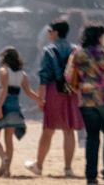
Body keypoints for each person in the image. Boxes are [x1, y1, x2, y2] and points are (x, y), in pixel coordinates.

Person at [37, 18, 83, 177]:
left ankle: (39, 165)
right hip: (71, 92)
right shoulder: (75, 49)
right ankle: (68, 168)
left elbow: (44, 75)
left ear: (56, 32)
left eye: (50, 31)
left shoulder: (49, 50)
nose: (49, 34)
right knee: (68, 130)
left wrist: (40, 97)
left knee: (48, 129)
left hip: (53, 90)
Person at [0, 46, 41, 178]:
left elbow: (4, 90)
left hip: (2, 104)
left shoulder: (3, 70)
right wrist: (40, 100)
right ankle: (7, 171)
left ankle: (3, 157)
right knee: (9, 140)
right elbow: (29, 92)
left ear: (4, 58)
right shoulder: (22, 74)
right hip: (14, 106)